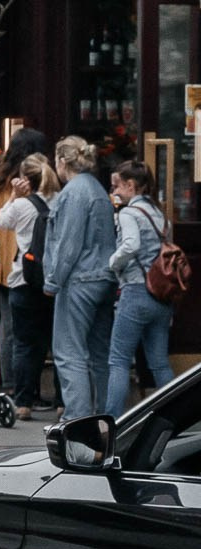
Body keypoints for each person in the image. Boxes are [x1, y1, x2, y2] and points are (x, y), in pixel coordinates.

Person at [46, 135, 117, 421]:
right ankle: (106, 417)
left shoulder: (74, 192)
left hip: (80, 279)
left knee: (69, 351)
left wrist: (53, 281)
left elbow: (68, 244)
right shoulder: (97, 189)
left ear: (62, 161)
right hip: (105, 277)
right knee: (100, 354)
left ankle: (75, 421)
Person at [106, 159, 175, 415]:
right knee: (159, 363)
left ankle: (111, 423)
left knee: (119, 360)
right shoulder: (160, 215)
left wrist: (112, 262)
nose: (114, 192)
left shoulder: (128, 213)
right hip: (161, 296)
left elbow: (131, 245)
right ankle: (175, 417)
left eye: (117, 186)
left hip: (135, 292)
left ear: (130, 185)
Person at [0, 152, 59, 418]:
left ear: (24, 179)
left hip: (24, 279)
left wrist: (13, 196)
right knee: (57, 344)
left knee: (24, 344)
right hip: (52, 281)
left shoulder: (21, 206)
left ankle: (24, 402)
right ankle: (63, 402)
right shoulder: (58, 200)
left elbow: (1, 221)